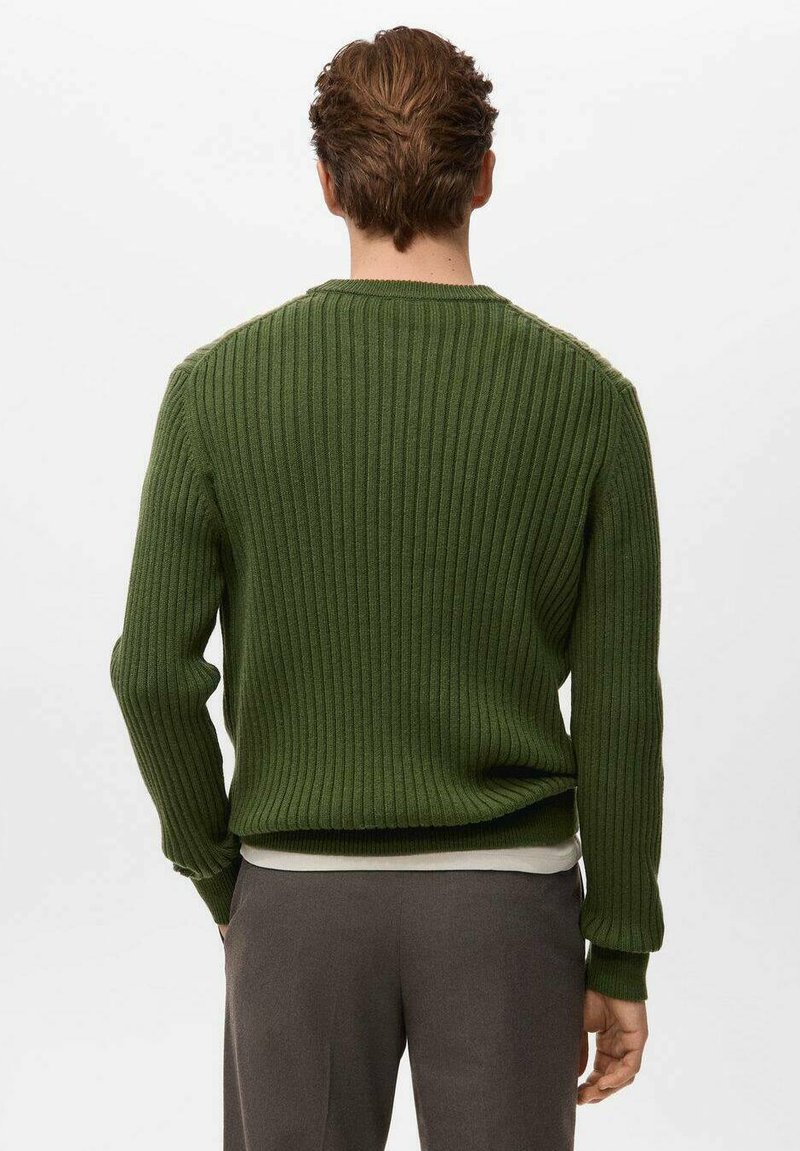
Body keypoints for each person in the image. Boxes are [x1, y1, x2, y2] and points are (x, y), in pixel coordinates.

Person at [109, 25, 665, 1151]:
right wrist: (618, 947)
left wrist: (222, 876)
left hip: (295, 899)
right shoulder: (588, 401)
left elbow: (151, 675)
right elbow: (617, 706)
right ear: (483, 176)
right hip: (508, 905)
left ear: (327, 181)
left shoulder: (216, 391)